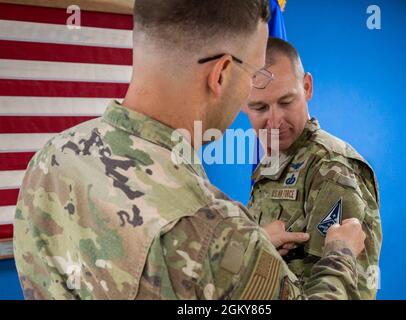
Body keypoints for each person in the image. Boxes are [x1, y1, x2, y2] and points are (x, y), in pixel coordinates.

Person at [14, 1, 365, 300]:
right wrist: (342, 253)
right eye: (254, 75)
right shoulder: (213, 231)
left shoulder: (53, 156)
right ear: (222, 73)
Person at [245, 37, 382, 299]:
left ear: (307, 87)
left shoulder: (332, 168)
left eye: (286, 102)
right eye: (260, 107)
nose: (274, 121)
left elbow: (346, 289)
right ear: (242, 101)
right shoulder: (274, 160)